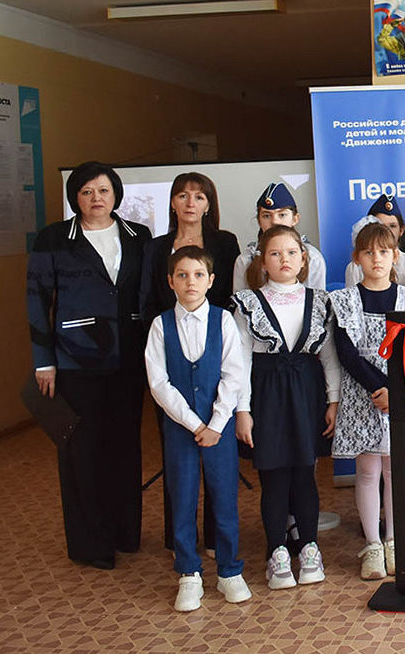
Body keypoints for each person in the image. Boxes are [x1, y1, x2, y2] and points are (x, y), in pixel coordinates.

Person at [27, 161, 150, 570]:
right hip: (75, 361)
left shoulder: (138, 235)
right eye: (86, 191)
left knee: (125, 448)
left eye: (103, 190)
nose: (96, 198)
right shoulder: (54, 239)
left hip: (128, 359)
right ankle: (90, 544)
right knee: (82, 452)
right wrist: (43, 361)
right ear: (75, 197)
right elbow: (36, 300)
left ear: (116, 194)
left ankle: (124, 533)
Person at [233, 225, 341, 589]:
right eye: (275, 253)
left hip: (307, 392)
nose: (284, 260)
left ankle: (309, 547)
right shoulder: (247, 303)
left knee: (305, 474)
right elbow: (241, 360)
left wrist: (333, 400)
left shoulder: (320, 301)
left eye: (292, 253)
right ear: (263, 261)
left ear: (303, 259)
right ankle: (277, 551)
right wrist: (242, 410)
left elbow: (329, 356)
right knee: (274, 476)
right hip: (267, 395)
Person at [144, 246, 251, 611]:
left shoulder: (223, 321)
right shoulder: (160, 326)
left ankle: (229, 570)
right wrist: (193, 423)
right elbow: (159, 384)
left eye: (198, 275)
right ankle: (189, 572)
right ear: (170, 281)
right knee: (183, 496)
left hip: (219, 427)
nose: (191, 282)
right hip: (180, 427)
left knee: (224, 496)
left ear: (211, 280)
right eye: (183, 275)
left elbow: (234, 374)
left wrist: (216, 422)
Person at [140, 171, 241, 558]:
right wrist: (167, 333)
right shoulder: (156, 247)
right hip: (171, 355)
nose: (190, 203)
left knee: (218, 462)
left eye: (199, 196)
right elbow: (147, 299)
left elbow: (233, 295)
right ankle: (180, 543)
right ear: (172, 202)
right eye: (182, 195)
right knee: (178, 461)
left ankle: (216, 541)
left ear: (209, 204)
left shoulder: (225, 242)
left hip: (215, 347)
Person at [329, 222, 405, 580]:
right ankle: (371, 544)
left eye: (384, 252)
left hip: (400, 396)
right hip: (362, 394)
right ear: (357, 258)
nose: (377, 259)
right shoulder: (344, 300)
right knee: (368, 472)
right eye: (368, 253)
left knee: (395, 471)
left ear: (395, 256)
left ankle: (394, 541)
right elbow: (347, 354)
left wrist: (397, 391)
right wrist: (381, 387)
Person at [233, 183, 327, 292]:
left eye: (282, 215)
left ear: (295, 219)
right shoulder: (245, 260)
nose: (275, 221)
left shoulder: (312, 258)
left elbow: (316, 299)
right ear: (259, 221)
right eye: (266, 216)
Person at [345, 194, 405, 287]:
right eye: (380, 225)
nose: (387, 231)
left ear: (401, 230)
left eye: (392, 226)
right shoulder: (355, 268)